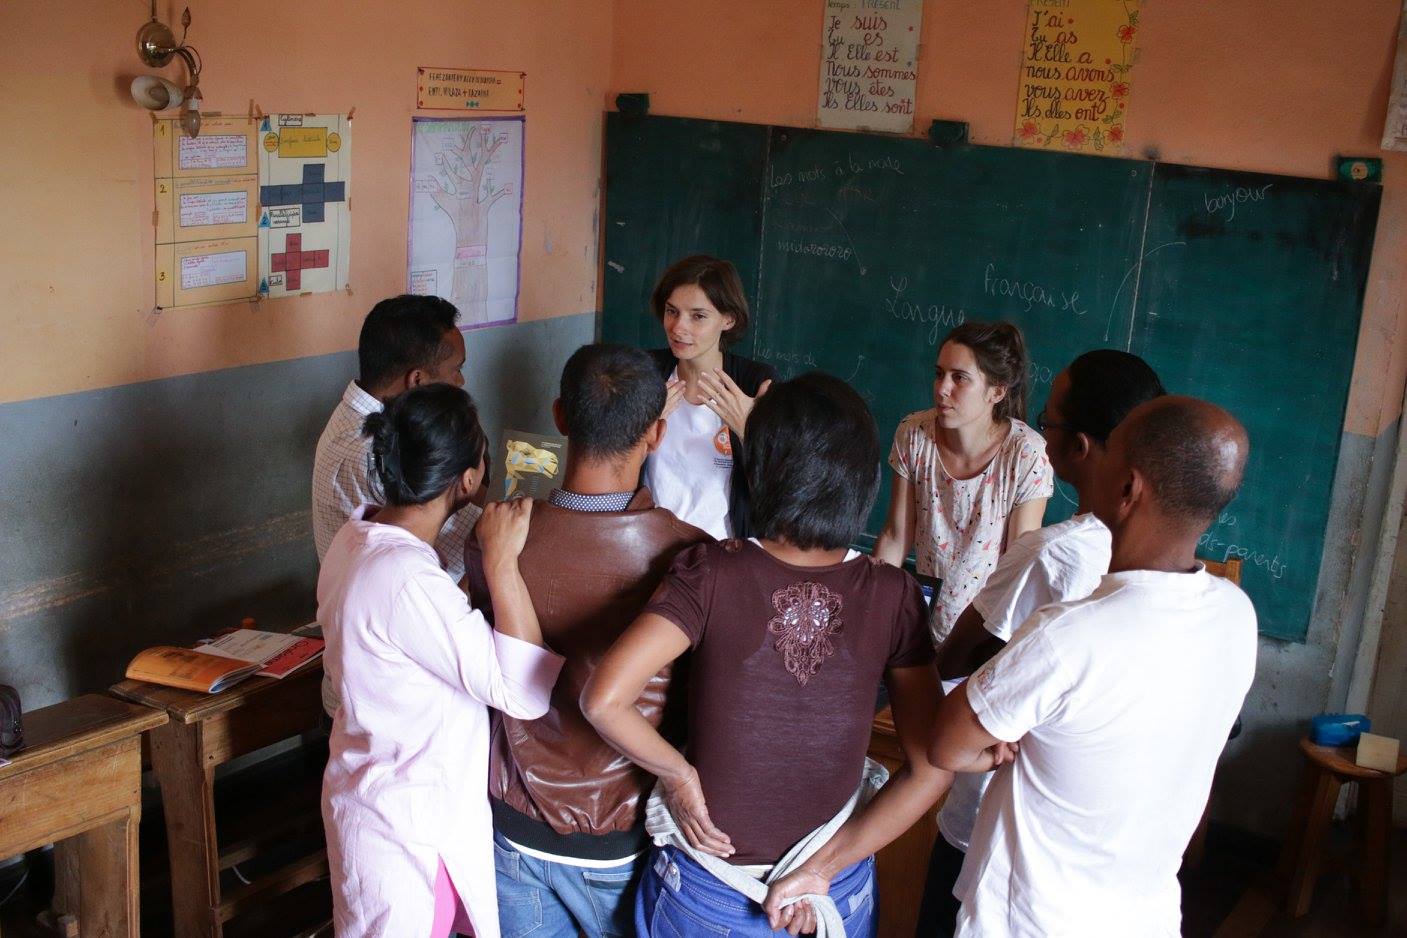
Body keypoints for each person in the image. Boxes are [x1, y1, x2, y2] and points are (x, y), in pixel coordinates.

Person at [583, 374, 1005, 937]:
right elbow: (932, 768)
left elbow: (603, 700)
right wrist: (819, 870)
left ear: (761, 468)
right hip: (831, 894)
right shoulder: (892, 593)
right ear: (862, 480)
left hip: (713, 892)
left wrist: (679, 776)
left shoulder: (713, 570)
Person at [929, 396, 1257, 937]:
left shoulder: (1067, 634)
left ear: (1128, 488)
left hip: (1029, 921)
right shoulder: (1235, 615)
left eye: (1109, 454)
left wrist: (998, 744)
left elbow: (947, 745)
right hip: (1142, 918)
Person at [915, 349, 1166, 937]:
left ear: (1075, 446)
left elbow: (954, 660)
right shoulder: (1185, 585)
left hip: (992, 821)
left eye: (1047, 421)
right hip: (1105, 842)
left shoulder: (1049, 554)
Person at [463, 344, 710, 938]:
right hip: (623, 834)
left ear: (560, 417)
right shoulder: (692, 555)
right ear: (656, 433)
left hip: (514, 823)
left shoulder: (495, 538)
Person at [319, 384, 565, 938]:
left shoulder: (357, 538)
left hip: (377, 799)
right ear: (470, 480)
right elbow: (523, 692)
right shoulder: (406, 577)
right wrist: (501, 562)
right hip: (407, 828)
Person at [312, 294, 482, 715]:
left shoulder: (363, 422)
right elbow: (462, 552)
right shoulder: (370, 451)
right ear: (418, 380)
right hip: (390, 693)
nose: (461, 381)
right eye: (456, 369)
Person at [874, 321, 1053, 645]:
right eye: (939, 373)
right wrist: (869, 613)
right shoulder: (914, 433)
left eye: (959, 378)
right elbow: (895, 536)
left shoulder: (1025, 454)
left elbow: (1019, 568)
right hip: (921, 620)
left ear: (997, 391)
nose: (942, 388)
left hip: (985, 634)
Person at [643, 255, 776, 540]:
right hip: (647, 543)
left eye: (698, 316)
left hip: (723, 552)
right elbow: (610, 461)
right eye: (672, 311)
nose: (678, 327)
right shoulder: (644, 373)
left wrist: (748, 431)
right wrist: (641, 429)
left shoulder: (754, 383)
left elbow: (784, 488)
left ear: (728, 319)